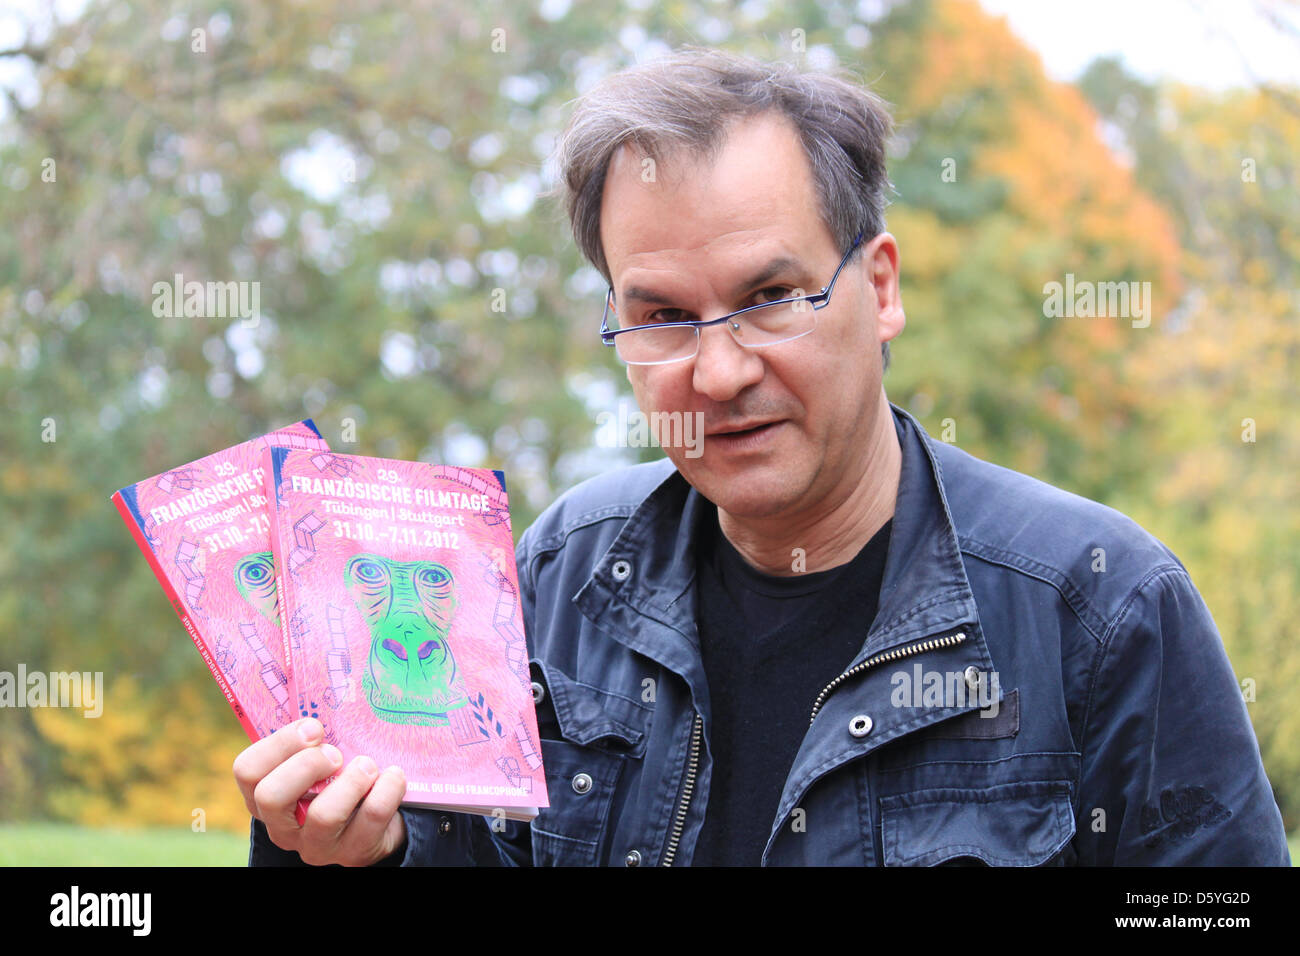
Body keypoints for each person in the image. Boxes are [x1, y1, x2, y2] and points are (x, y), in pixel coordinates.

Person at [239, 48, 1290, 866]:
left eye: (769, 298)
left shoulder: (1100, 609)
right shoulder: (557, 575)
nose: (717, 369)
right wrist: (356, 851)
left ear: (877, 287)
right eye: (660, 315)